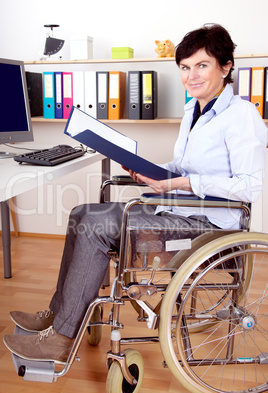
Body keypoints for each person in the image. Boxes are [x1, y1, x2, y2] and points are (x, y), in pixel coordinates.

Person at [3, 23, 267, 363]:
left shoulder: (241, 116)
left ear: (226, 66)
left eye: (202, 65)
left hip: (208, 227)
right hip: (178, 209)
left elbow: (248, 186)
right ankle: (59, 314)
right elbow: (187, 166)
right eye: (185, 68)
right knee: (82, 213)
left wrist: (176, 184)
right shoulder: (195, 110)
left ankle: (62, 338)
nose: (191, 76)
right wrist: (150, 172)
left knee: (96, 226)